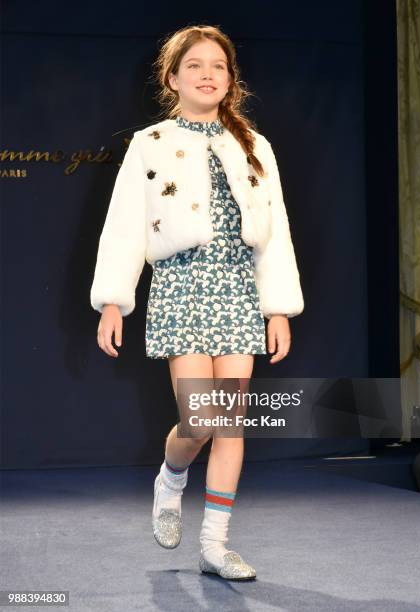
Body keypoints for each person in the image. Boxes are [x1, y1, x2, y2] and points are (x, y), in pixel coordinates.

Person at [90, 24, 304, 581]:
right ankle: (171, 476)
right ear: (172, 77)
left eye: (219, 67)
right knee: (200, 420)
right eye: (195, 66)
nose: (208, 75)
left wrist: (277, 307)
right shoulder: (151, 143)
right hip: (182, 286)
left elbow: (274, 230)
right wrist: (114, 300)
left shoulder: (254, 147)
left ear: (231, 81)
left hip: (236, 288)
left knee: (230, 422)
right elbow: (124, 226)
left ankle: (214, 545)